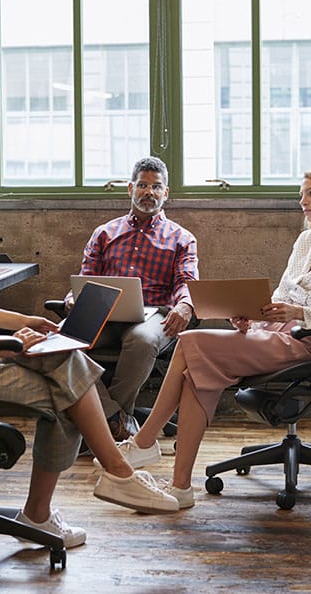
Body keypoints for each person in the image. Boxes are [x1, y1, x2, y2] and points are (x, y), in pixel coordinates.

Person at [0, 154, 180, 546]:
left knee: (67, 377)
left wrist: (25, 323)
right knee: (68, 393)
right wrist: (12, 347)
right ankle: (109, 475)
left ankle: (91, 483)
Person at [105, 166, 311, 508]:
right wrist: (251, 313)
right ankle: (179, 487)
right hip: (273, 333)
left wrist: (297, 314)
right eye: (301, 193)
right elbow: (281, 294)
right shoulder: (307, 239)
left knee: (191, 343)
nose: (302, 201)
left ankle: (145, 441)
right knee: (195, 375)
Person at [66, 156, 199, 441]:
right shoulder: (104, 233)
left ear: (166, 193)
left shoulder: (181, 238)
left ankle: (99, 426)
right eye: (142, 185)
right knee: (61, 343)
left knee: (142, 340)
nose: (148, 192)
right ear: (130, 189)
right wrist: (73, 297)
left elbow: (186, 282)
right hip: (103, 311)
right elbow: (87, 276)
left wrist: (185, 305)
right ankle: (115, 418)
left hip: (154, 315)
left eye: (156, 186)